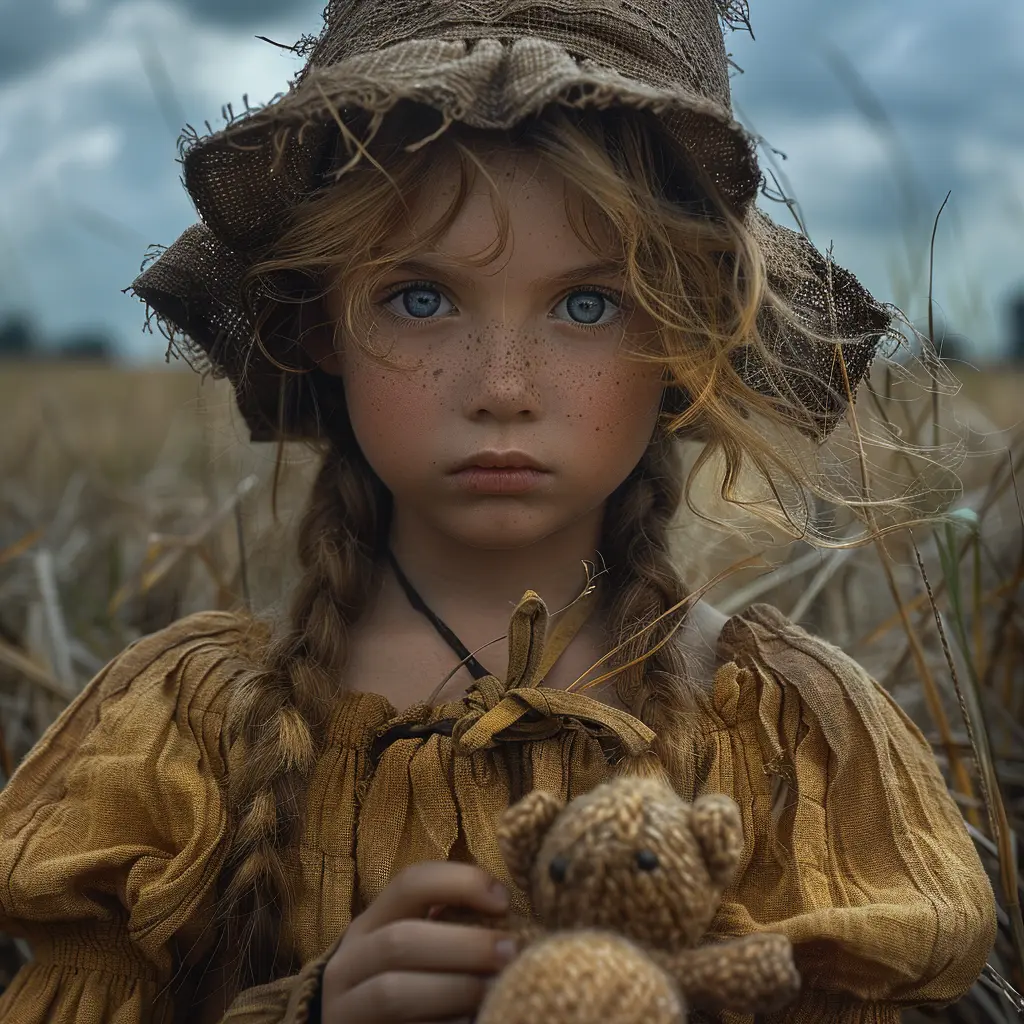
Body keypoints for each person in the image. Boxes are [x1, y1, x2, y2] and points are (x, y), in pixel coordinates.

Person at [0, 2, 996, 1022]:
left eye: (588, 304)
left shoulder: (791, 743)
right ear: (316, 324)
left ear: (687, 340)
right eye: (420, 299)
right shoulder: (183, 741)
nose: (502, 387)